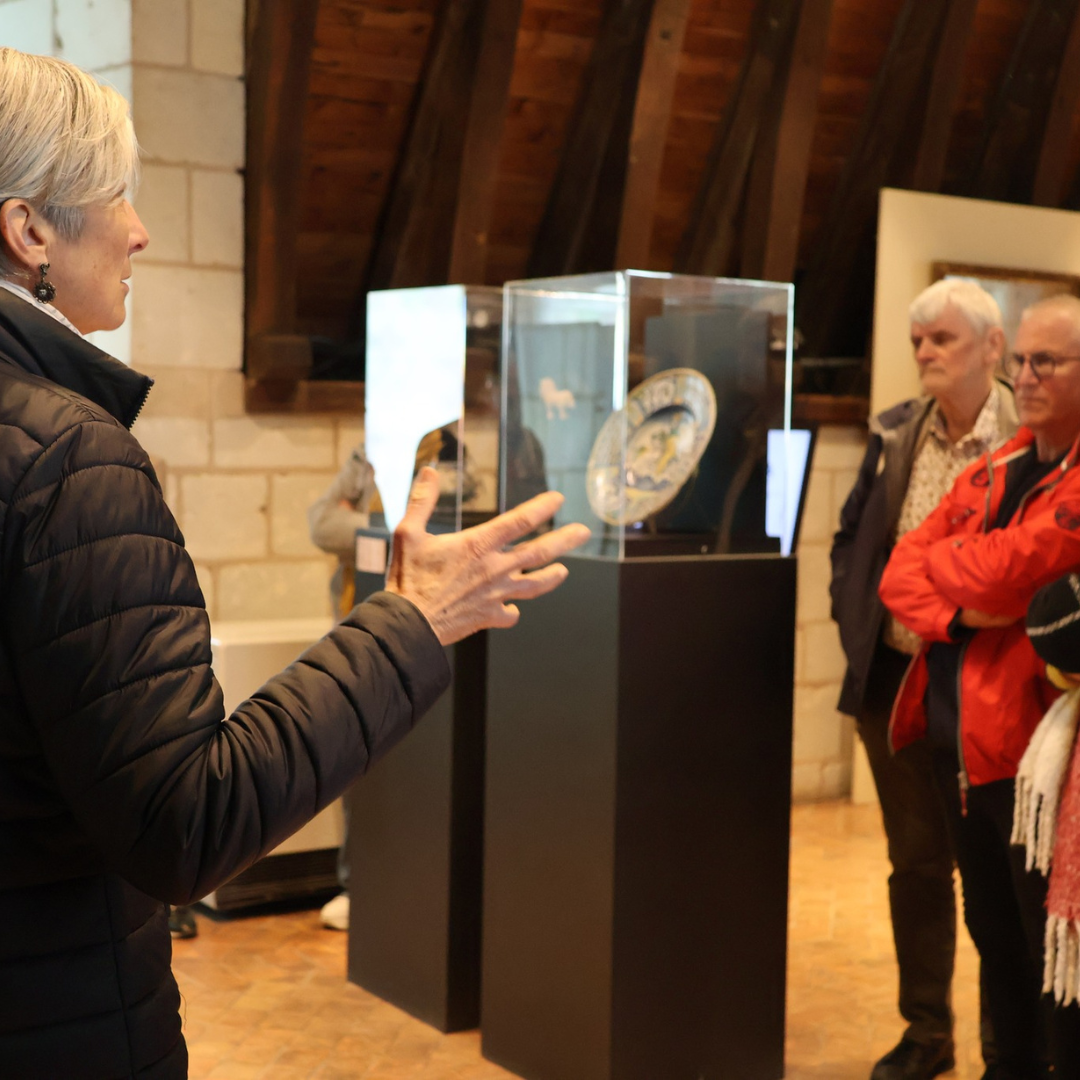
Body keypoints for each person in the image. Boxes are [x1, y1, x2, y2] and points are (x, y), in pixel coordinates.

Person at [0, 48, 589, 1080]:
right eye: (118, 195)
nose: (139, 229)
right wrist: (412, 620)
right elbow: (185, 819)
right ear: (30, 229)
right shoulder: (68, 458)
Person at [880, 294, 1080, 1078]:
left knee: (1046, 952)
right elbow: (902, 568)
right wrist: (971, 617)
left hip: (1037, 758)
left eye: (1045, 362)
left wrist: (960, 576)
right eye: (1021, 360)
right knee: (993, 940)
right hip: (958, 741)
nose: (1023, 376)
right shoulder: (994, 465)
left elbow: (1011, 566)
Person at [831, 278, 1015, 1080]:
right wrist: (857, 627)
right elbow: (852, 544)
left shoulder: (1030, 437)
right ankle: (926, 1031)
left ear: (993, 348)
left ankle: (1008, 1045)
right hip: (893, 681)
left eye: (941, 339)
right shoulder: (895, 432)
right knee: (915, 866)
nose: (925, 354)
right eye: (918, 342)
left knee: (998, 873)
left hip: (985, 690)